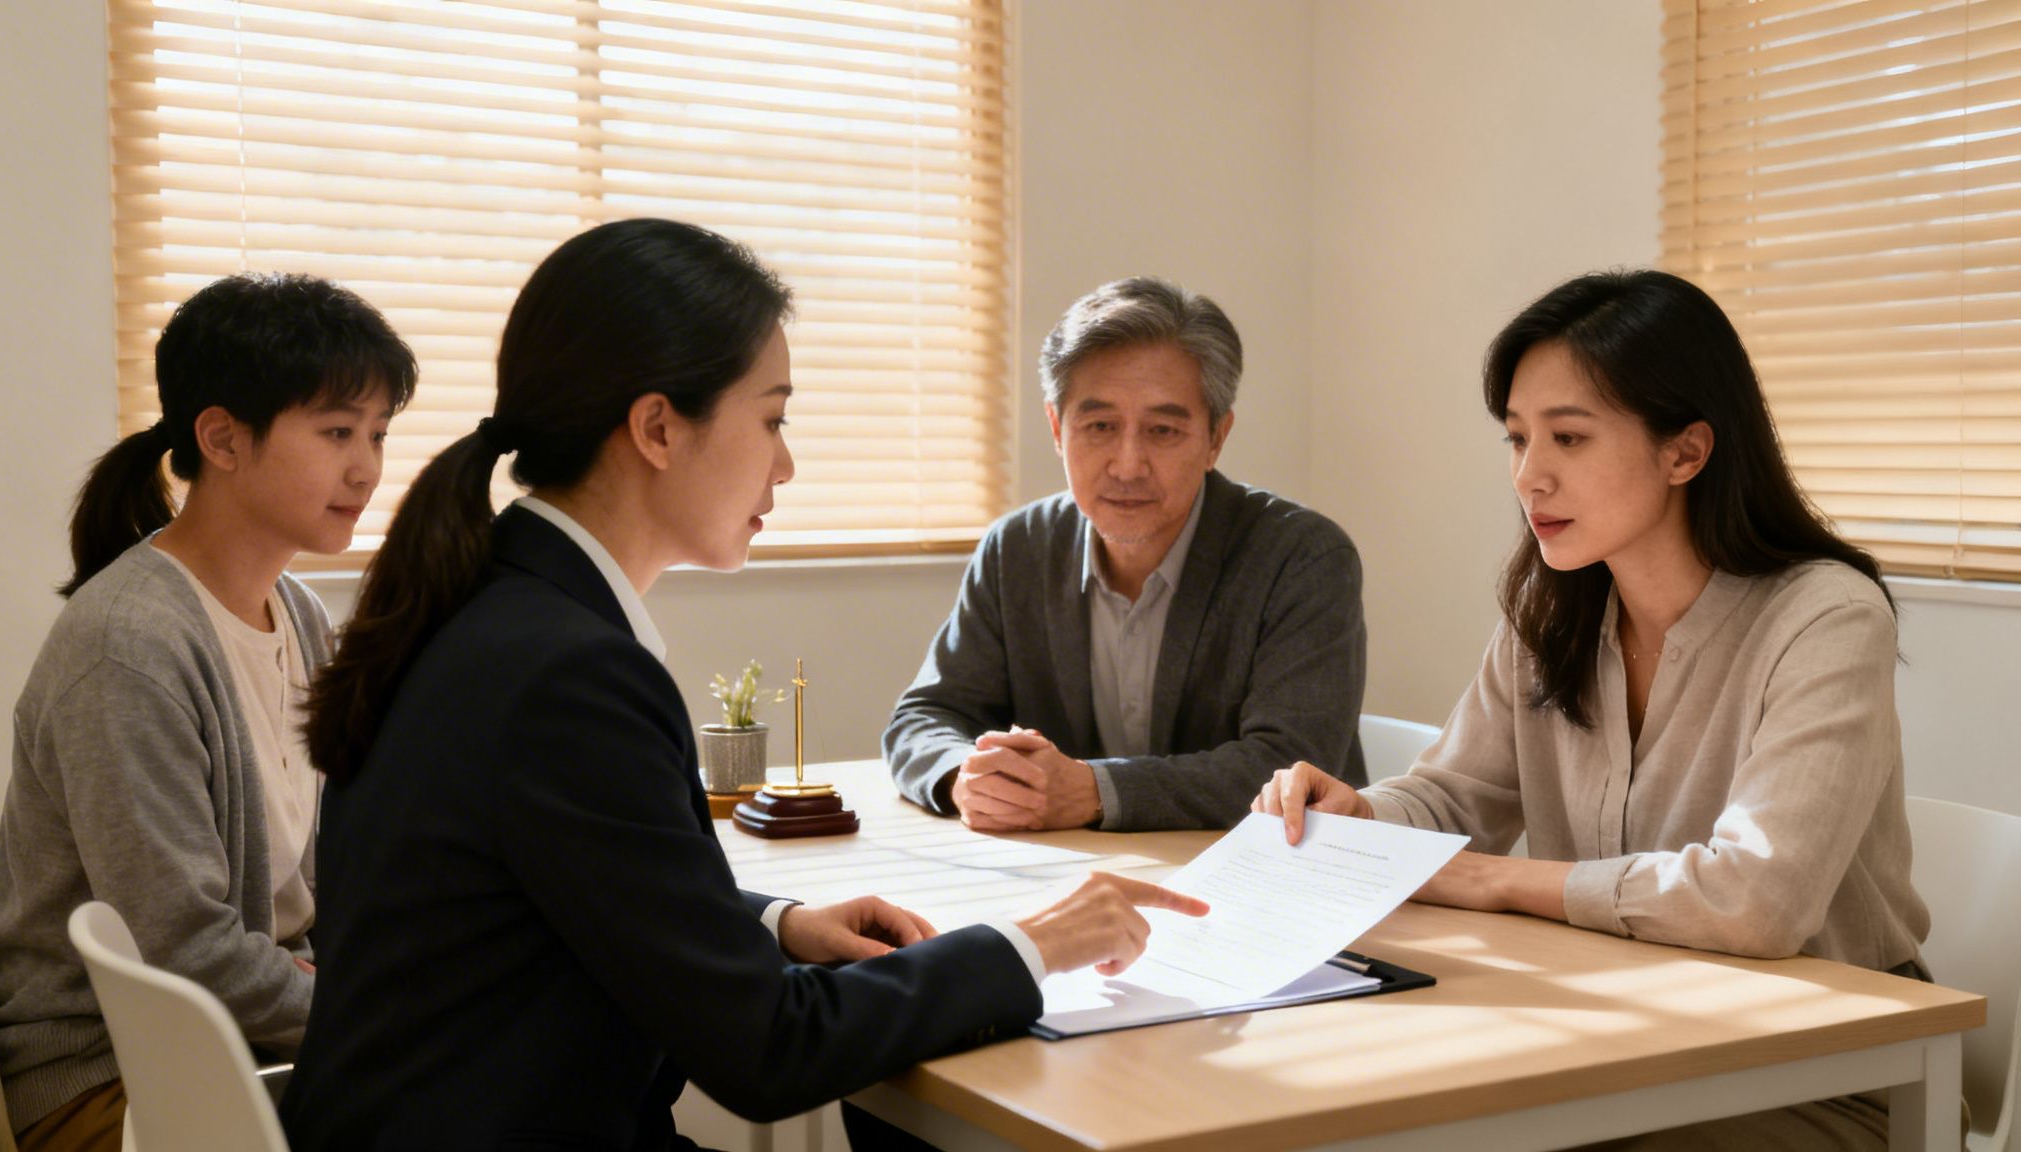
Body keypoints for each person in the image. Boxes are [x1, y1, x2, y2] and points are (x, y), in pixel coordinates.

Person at [280, 219, 1205, 1151]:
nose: (786, 463)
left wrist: (773, 925)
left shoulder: (491, 607)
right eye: (772, 419)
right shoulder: (567, 674)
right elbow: (769, 1053)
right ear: (657, 428)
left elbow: (565, 891)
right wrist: (1034, 944)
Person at [1255, 269, 1930, 1150]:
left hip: (1821, 1070)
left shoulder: (1826, 617)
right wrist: (1362, 817)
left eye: (1568, 438)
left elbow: (1756, 900)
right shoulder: (1552, 611)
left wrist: (1496, 879)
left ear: (1685, 452)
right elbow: (1455, 798)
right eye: (1517, 439)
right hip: (1621, 1031)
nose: (1530, 477)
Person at [0, 273, 414, 1152]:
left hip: (245, 1047)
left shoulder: (301, 614)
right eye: (335, 432)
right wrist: (396, 1023)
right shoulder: (128, 645)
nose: (366, 466)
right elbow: (186, 952)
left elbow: (329, 882)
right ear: (222, 438)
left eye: (377, 433)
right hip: (112, 1081)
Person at [885, 276, 1367, 834]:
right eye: (1100, 426)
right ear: (1056, 428)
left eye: (1163, 430)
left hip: (1266, 883)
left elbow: (1289, 765)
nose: (1128, 463)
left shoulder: (1303, 558)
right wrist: (964, 777)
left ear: (1216, 437)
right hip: (1075, 880)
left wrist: (1093, 791)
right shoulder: (1015, 549)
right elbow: (924, 717)